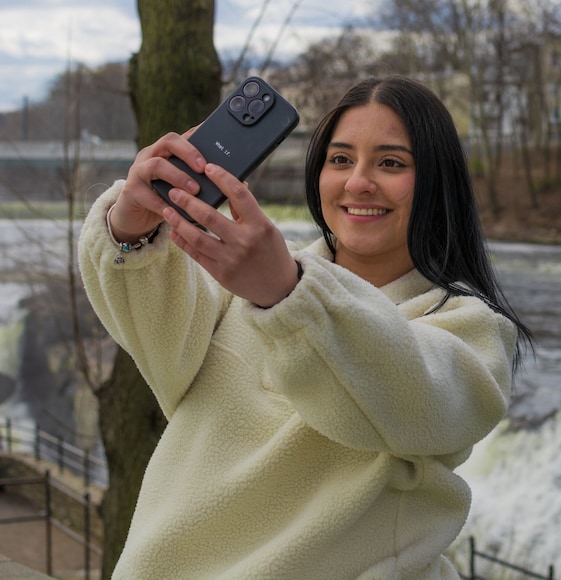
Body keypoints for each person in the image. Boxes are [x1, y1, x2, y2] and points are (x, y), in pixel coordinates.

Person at [78, 75, 532, 579]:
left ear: (437, 181)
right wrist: (132, 226)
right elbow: (152, 324)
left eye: (391, 163)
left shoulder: (469, 330)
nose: (358, 181)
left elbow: (419, 393)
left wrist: (289, 296)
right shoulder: (246, 278)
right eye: (340, 160)